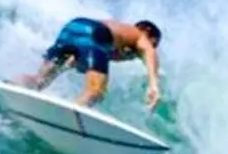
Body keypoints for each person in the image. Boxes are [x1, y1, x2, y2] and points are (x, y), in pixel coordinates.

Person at [20, 17, 163, 109]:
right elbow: (149, 52)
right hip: (95, 33)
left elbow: (89, 53)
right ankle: (69, 117)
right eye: (154, 43)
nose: (154, 47)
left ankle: (17, 84)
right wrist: (154, 85)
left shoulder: (119, 30)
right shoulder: (139, 35)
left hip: (73, 27)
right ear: (147, 32)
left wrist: (69, 64)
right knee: (95, 92)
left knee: (40, 80)